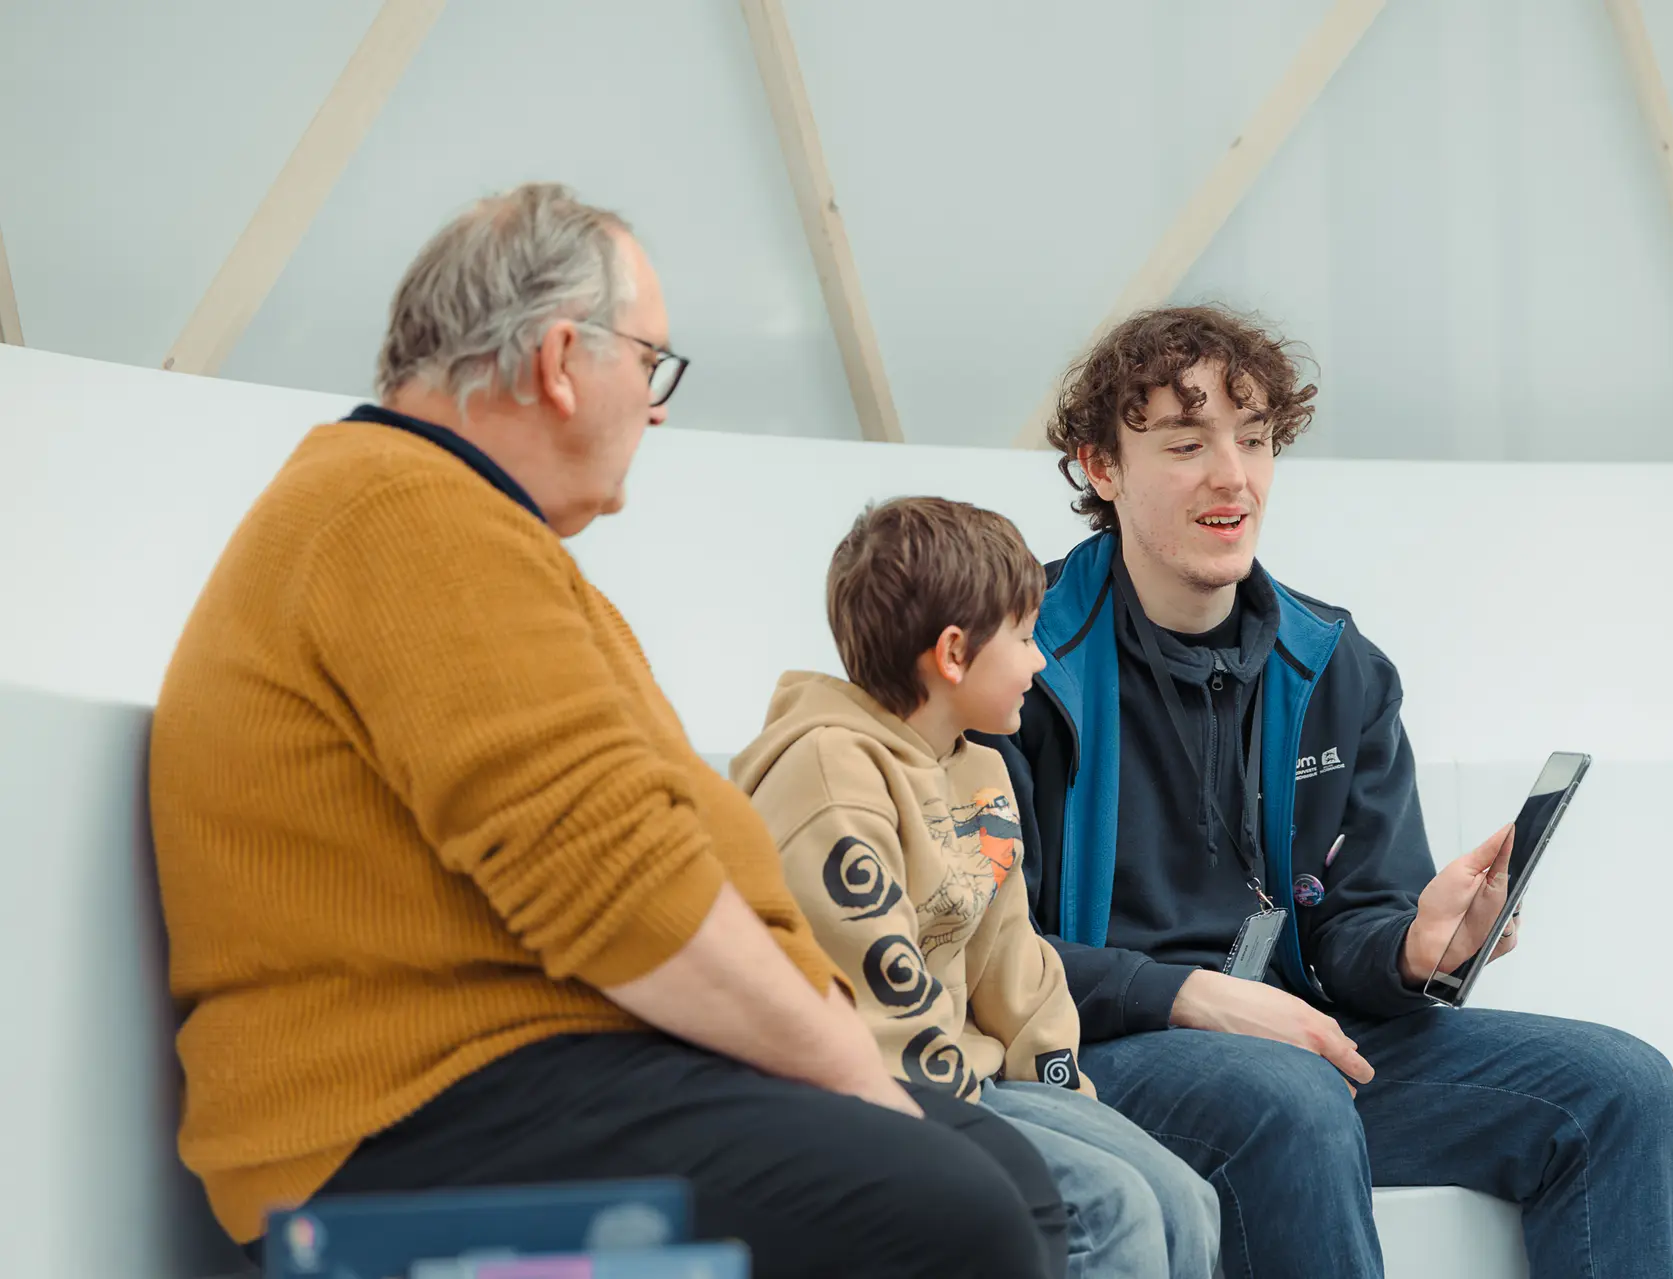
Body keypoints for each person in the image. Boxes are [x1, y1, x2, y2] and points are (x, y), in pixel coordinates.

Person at [148, 183, 1067, 1279]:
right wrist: (852, 1075)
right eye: (650, 362)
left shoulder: (442, 519)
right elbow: (620, 885)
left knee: (1005, 1179)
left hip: (526, 1072)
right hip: (413, 1113)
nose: (658, 404)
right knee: (958, 1213)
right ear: (557, 356)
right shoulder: (405, 517)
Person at [980, 304, 1673, 1279]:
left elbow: (1353, 923)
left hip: (1299, 1044)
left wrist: (1411, 944)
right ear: (1103, 468)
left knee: (1621, 1089)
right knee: (1288, 1094)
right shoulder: (1010, 658)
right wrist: (1191, 998)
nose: (1233, 475)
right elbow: (982, 943)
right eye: (1186, 443)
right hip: (1093, 1053)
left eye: (1257, 439)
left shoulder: (1335, 666)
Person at [732, 497, 1222, 1279]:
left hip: (977, 1081)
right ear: (954, 653)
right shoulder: (830, 773)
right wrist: (996, 1109)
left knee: (1186, 1196)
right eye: (1025, 637)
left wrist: (1064, 1089)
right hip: (880, 1097)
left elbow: (1009, 963)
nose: (1039, 661)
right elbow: (872, 1006)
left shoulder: (980, 765)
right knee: (1111, 1209)